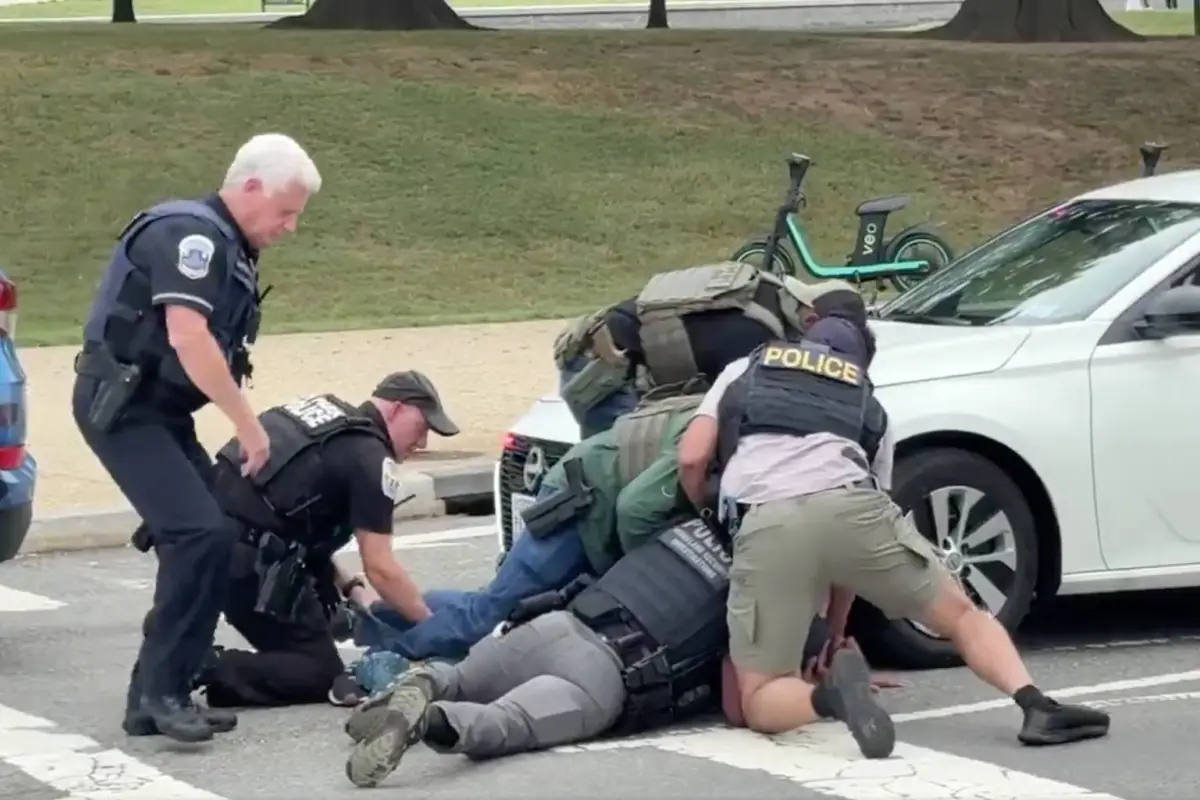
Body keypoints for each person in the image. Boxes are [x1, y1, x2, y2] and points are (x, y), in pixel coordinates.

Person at [352, 278, 864, 664]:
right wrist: (641, 574)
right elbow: (638, 504)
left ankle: (380, 616)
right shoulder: (749, 377)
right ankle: (385, 662)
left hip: (596, 464)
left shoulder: (758, 356)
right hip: (585, 489)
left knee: (501, 602)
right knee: (491, 613)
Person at [675, 301, 1112, 747]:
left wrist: (707, 511)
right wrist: (837, 632)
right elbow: (848, 553)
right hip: (855, 508)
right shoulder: (870, 405)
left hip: (769, 520)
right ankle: (1037, 705)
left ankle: (830, 700)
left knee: (759, 694)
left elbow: (692, 457)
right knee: (961, 616)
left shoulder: (745, 369)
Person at [71, 133, 321, 744]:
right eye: (287, 211)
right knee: (198, 534)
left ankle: (155, 694)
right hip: (124, 408)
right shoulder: (192, 235)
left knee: (215, 534)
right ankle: (162, 691)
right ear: (252, 187)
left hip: (159, 413)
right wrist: (247, 422)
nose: (290, 227)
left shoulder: (228, 245)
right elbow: (188, 338)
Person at [342, 516, 893, 789]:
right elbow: (738, 699)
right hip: (606, 676)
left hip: (560, 624)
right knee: (501, 724)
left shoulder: (685, 529)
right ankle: (429, 722)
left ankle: (424, 685)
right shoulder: (769, 593)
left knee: (466, 675)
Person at [130, 372, 456, 712]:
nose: (423, 443)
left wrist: (349, 586)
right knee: (317, 671)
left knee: (326, 613)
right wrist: (431, 626)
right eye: (422, 427)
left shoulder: (320, 415)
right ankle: (202, 664)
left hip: (198, 539)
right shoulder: (371, 459)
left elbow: (288, 517)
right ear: (396, 409)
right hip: (246, 565)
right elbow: (382, 568)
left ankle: (201, 659)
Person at [554, 264, 844, 437]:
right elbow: (735, 413)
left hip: (602, 346)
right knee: (615, 472)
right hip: (603, 370)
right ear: (812, 319)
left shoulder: (767, 290)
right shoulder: (756, 333)